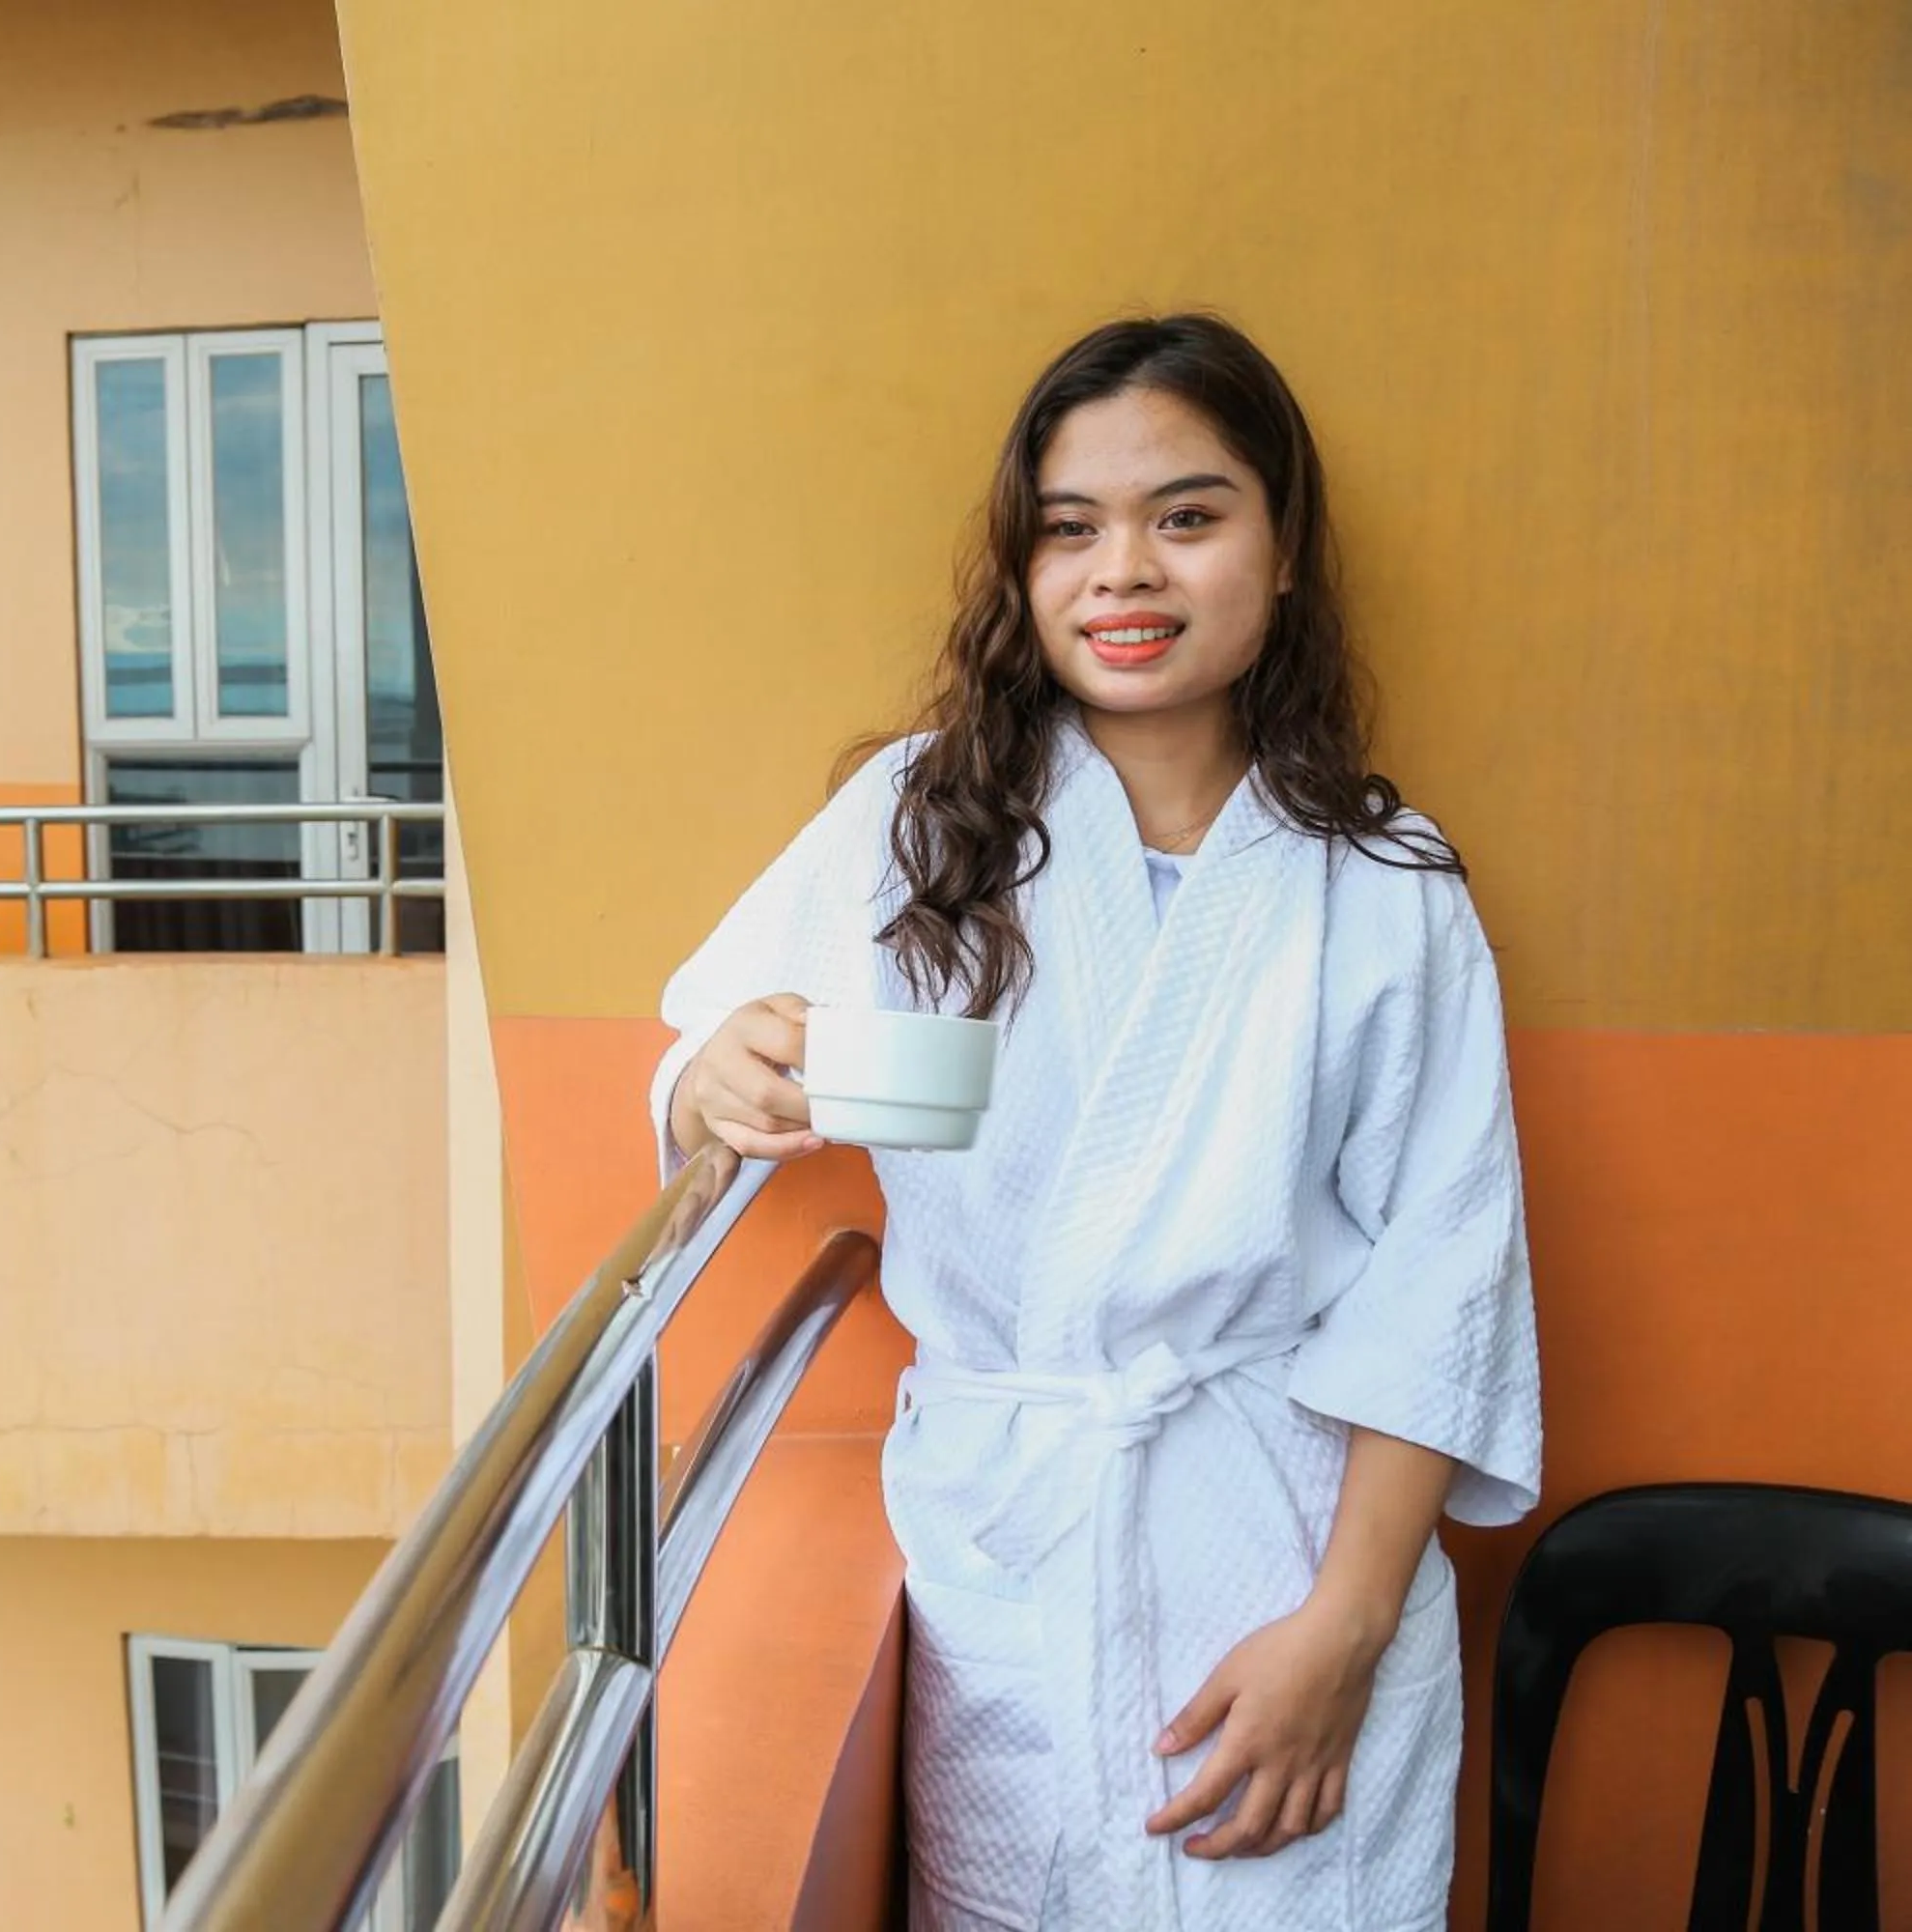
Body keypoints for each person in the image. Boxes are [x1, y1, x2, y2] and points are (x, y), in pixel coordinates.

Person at [653, 314, 1541, 1930]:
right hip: (1020, 1544)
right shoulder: (925, 820)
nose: (1122, 573)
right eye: (1071, 530)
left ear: (1280, 558)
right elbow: (708, 1042)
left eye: (1186, 518)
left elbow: (1443, 1284)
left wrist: (1342, 1637)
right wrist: (717, 1073)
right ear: (1023, 568)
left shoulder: (1387, 885)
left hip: (1282, 1546)